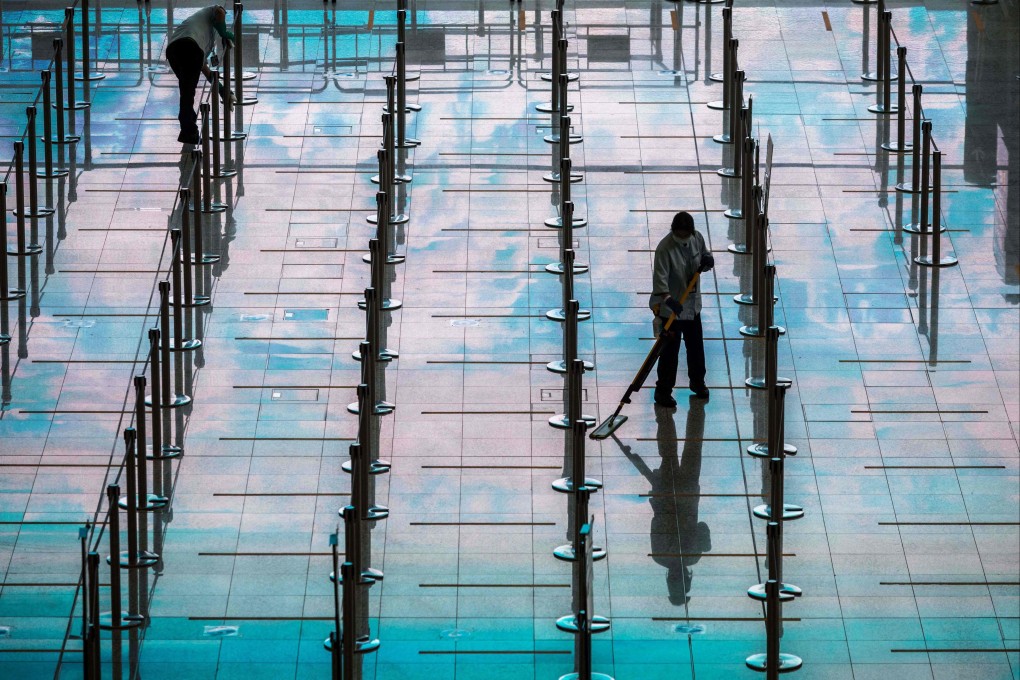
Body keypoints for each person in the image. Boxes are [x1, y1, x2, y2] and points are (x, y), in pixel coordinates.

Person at [649, 211, 714, 406]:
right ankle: (663, 391)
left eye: (686, 234)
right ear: (673, 230)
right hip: (671, 312)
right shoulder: (664, 249)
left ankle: (697, 382)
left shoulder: (697, 237)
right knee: (669, 353)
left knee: (696, 349)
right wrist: (669, 300)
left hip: (692, 307)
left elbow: (704, 254)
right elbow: (659, 281)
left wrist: (708, 259)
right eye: (680, 234)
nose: (683, 237)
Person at [166, 6, 235, 144]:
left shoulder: (203, 31)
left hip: (174, 50)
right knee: (187, 92)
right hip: (189, 46)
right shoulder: (213, 12)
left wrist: (222, 90)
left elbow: (203, 67)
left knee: (187, 90)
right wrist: (224, 33)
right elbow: (220, 11)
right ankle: (188, 132)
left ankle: (188, 128)